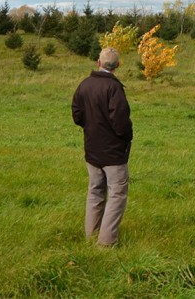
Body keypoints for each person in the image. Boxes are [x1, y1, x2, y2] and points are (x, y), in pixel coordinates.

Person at [72, 47, 133, 247]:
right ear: (118, 66)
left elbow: (77, 115)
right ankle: (105, 243)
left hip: (92, 149)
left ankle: (91, 237)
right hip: (113, 153)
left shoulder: (84, 85)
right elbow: (121, 123)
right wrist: (126, 137)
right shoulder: (114, 88)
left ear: (98, 63)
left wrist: (91, 128)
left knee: (95, 191)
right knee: (116, 194)